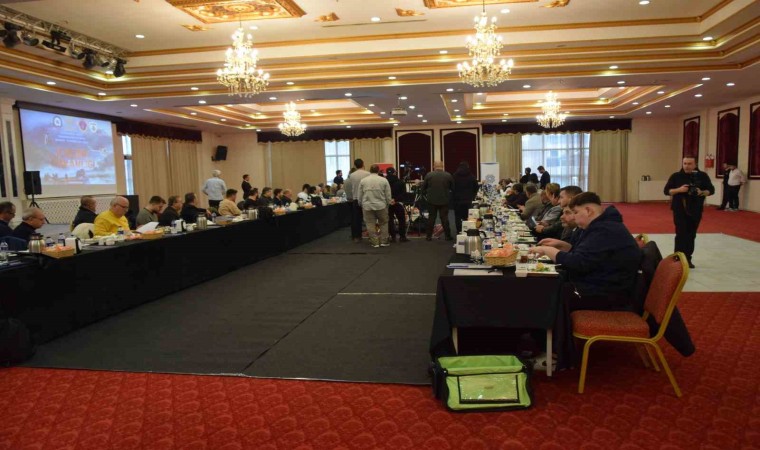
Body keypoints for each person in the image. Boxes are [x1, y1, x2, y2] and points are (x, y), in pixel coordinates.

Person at [532, 192, 641, 308]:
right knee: (550, 284)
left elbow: (578, 263)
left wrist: (548, 250)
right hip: (601, 283)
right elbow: (590, 257)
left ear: (588, 211)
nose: (574, 217)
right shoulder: (601, 225)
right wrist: (565, 246)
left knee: (549, 291)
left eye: (576, 212)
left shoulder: (605, 230)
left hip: (609, 295)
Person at [664, 157, 714, 268]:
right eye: (685, 163)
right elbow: (667, 191)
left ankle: (687, 259)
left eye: (689, 163)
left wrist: (701, 192)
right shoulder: (676, 176)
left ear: (695, 164)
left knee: (691, 235)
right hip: (679, 209)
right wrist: (679, 190)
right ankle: (677, 258)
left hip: (696, 209)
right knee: (681, 234)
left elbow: (711, 190)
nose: (686, 166)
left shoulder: (702, 176)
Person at [357, 164, 392, 248]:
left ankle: (374, 242)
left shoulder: (363, 181)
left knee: (370, 224)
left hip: (367, 206)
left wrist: (360, 203)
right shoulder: (384, 180)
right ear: (378, 170)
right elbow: (388, 194)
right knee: (383, 223)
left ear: (370, 170)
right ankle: (384, 241)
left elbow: (360, 194)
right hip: (381, 205)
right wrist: (388, 203)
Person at [422, 161, 454, 241]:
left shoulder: (429, 175)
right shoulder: (448, 175)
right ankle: (448, 236)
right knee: (444, 218)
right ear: (442, 166)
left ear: (434, 166)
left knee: (431, 218)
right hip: (444, 200)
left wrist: (427, 194)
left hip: (431, 200)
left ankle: (428, 236)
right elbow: (453, 188)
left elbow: (423, 188)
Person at [347, 159, 371, 243]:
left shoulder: (351, 175)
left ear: (354, 165)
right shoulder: (368, 174)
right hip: (366, 198)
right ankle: (371, 236)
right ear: (363, 164)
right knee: (369, 218)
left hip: (356, 198)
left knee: (356, 219)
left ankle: (356, 237)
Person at [452, 161, 478, 233]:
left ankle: (459, 231)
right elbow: (476, 187)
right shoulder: (471, 176)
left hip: (457, 200)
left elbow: (451, 187)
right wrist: (473, 195)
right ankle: (467, 230)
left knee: (458, 216)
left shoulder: (454, 176)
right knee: (468, 216)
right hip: (468, 200)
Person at [385, 167, 408, 243]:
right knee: (401, 220)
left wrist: (390, 200)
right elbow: (403, 194)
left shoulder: (384, 181)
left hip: (387, 203)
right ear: (395, 173)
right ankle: (402, 237)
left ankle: (393, 237)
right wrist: (395, 200)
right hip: (398, 203)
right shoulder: (400, 182)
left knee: (389, 220)